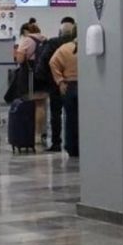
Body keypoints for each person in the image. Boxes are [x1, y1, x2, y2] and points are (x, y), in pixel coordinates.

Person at [37, 22, 76, 152]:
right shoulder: (78, 45)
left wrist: (53, 80)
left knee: (56, 114)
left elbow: (46, 62)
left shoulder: (53, 43)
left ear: (60, 32)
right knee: (74, 115)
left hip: (56, 84)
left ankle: (56, 143)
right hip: (75, 83)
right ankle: (76, 143)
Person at [15, 22, 49, 142]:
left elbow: (20, 59)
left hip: (30, 75)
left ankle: (35, 134)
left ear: (26, 31)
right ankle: (43, 132)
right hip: (43, 74)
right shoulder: (45, 39)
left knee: (33, 105)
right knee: (42, 105)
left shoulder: (26, 40)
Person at [50, 25, 80, 156]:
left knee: (71, 118)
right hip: (87, 86)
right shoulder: (89, 48)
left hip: (69, 85)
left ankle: (71, 147)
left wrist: (60, 80)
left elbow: (53, 62)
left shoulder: (65, 48)